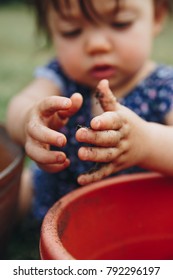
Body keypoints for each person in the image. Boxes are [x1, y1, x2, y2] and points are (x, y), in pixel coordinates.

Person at [6, 0, 173, 222]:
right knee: (15, 188)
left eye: (120, 24)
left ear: (157, 17)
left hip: (132, 215)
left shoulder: (163, 86)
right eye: (71, 31)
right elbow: (21, 104)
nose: (96, 45)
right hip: (49, 200)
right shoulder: (60, 77)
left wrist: (147, 142)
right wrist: (30, 120)